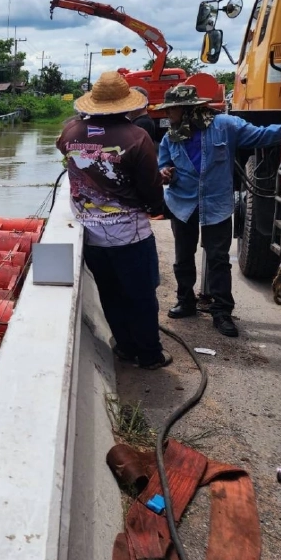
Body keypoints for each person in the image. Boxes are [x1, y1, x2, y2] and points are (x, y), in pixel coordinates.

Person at [56, 70, 171, 369]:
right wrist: (157, 207)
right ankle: (149, 355)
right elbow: (150, 187)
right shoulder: (137, 136)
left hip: (90, 235)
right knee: (141, 296)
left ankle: (125, 346)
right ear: (126, 104)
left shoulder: (70, 132)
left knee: (110, 293)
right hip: (129, 235)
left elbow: (64, 150)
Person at [156, 84, 281, 337]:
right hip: (182, 203)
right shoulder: (171, 136)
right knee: (183, 257)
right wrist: (165, 173)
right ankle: (185, 301)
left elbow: (262, 135)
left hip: (216, 203)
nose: (167, 115)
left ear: (187, 108)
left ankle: (222, 311)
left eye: (171, 110)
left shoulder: (226, 125)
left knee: (218, 259)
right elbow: (163, 164)